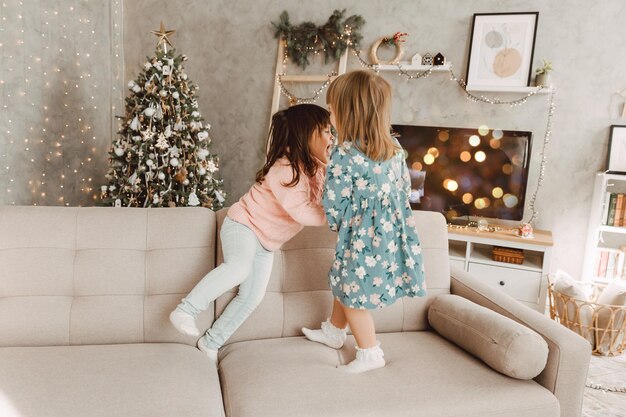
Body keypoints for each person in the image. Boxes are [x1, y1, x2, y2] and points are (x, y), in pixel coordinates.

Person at [170, 104, 334, 364]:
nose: (331, 138)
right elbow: (303, 212)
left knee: (252, 297)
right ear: (306, 135)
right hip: (243, 225)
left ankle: (211, 342)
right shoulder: (285, 169)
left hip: (266, 243)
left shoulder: (314, 168)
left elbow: (326, 192)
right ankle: (185, 310)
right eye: (325, 132)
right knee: (238, 268)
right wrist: (334, 214)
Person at [302, 71, 427, 373]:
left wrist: (340, 223)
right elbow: (404, 191)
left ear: (347, 112)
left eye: (331, 108)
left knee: (353, 295)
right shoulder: (396, 151)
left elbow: (334, 202)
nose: (329, 114)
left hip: (360, 239)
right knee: (344, 282)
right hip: (389, 238)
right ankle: (334, 331)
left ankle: (370, 353)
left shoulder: (343, 154)